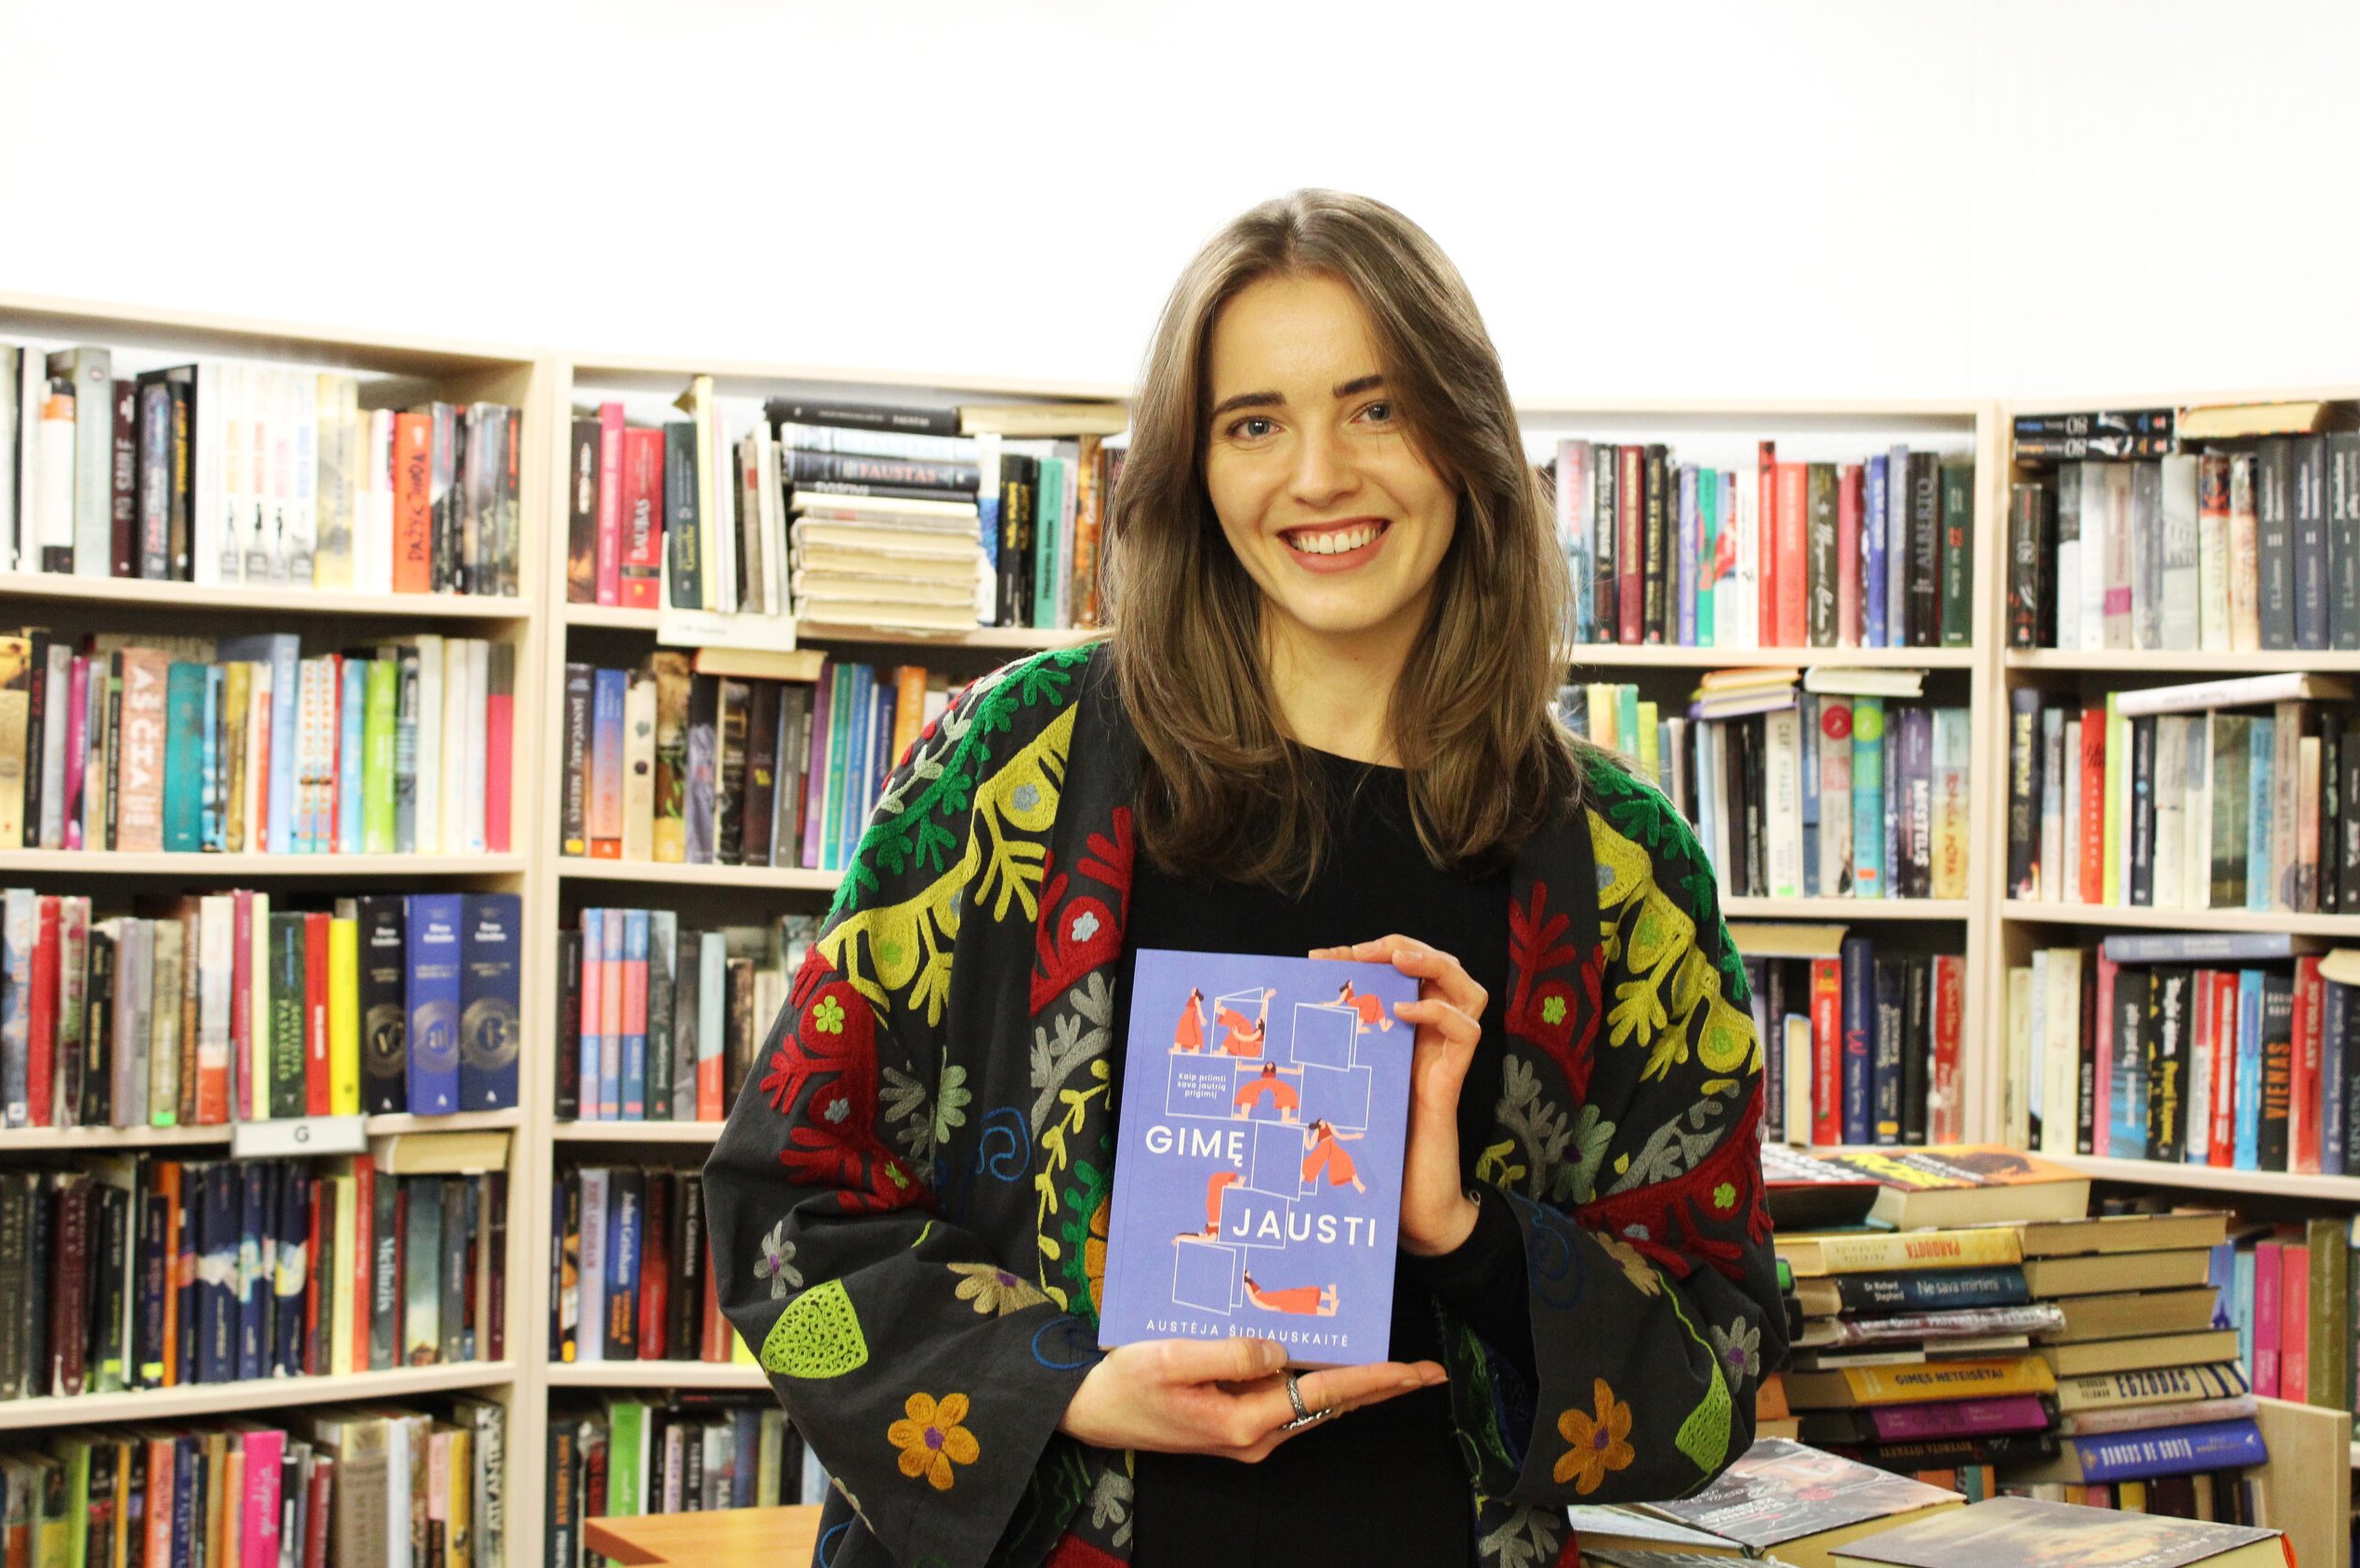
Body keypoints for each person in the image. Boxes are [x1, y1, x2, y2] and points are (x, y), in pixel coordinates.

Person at [703, 189, 1784, 1568]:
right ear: (1193, 470)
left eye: (1377, 408)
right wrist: (1065, 1385)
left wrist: (1463, 1233)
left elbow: (1718, 1365)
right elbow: (781, 1216)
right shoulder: (1013, 770)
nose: (1319, 476)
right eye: (1254, 423)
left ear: (1467, 439)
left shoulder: (1624, 869)